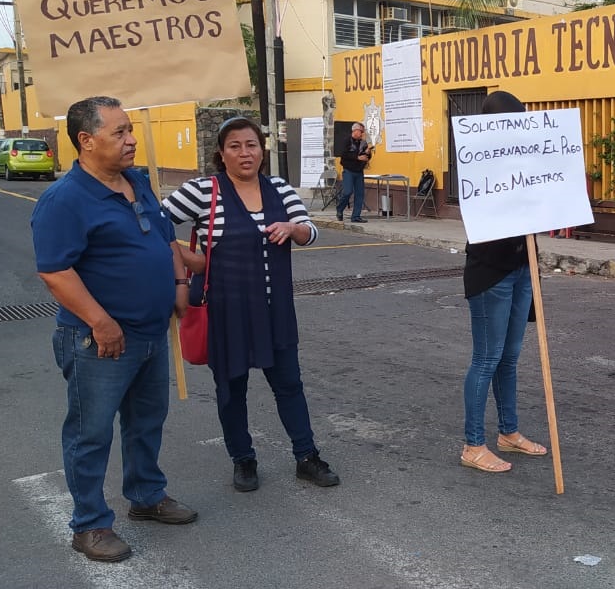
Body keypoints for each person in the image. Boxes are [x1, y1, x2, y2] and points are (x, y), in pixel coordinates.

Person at [31, 96, 197, 563]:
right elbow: (55, 272)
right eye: (120, 132)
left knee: (146, 421)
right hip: (98, 340)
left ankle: (146, 495)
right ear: (86, 141)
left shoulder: (137, 181)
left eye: (130, 129)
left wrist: (180, 281)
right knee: (91, 432)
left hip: (148, 332)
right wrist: (101, 323)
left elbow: (164, 237)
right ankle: (89, 524)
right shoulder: (64, 200)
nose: (132, 139)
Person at [163, 117, 339, 493]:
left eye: (252, 145)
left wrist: (294, 229)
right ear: (221, 154)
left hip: (275, 311)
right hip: (227, 313)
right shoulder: (203, 191)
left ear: (263, 150)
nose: (245, 153)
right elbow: (152, 225)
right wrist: (189, 261)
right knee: (231, 389)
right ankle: (242, 459)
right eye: (235, 146)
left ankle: (306, 456)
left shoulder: (279, 188)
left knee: (289, 384)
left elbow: (310, 231)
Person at [457, 91, 549, 473]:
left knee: (509, 358)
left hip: (522, 266)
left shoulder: (526, 162)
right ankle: (472, 444)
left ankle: (508, 432)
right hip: (490, 272)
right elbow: (484, 216)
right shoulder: (477, 164)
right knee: (487, 359)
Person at [335, 121, 372, 223]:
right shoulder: (346, 141)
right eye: (361, 131)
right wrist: (357, 157)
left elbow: (366, 157)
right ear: (355, 131)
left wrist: (368, 154)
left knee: (360, 194)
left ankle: (356, 216)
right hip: (348, 171)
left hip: (359, 171)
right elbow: (344, 155)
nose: (362, 134)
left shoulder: (363, 143)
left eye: (363, 132)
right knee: (347, 192)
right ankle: (339, 209)